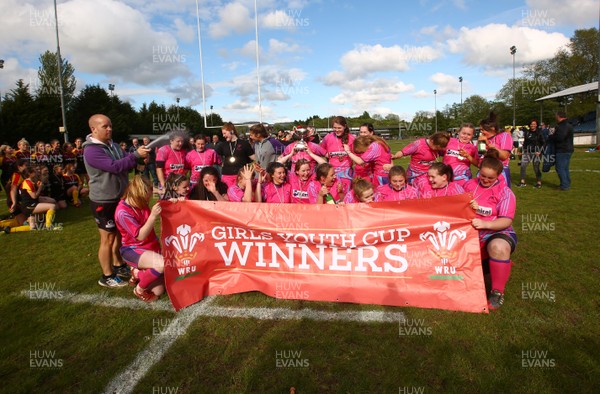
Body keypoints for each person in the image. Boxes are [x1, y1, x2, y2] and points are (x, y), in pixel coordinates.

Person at [83, 114, 150, 288]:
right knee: (108, 238)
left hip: (119, 197)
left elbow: (127, 161)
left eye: (110, 125)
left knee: (119, 234)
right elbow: (115, 167)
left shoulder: (112, 145)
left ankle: (119, 265)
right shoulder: (92, 150)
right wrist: (135, 155)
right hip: (103, 200)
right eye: (105, 126)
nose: (109, 129)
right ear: (93, 129)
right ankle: (106, 275)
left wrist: (139, 158)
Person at [464, 157, 517, 310]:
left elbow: (506, 220)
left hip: (495, 232)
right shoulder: (469, 184)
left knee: (498, 247)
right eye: (483, 175)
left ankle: (497, 292)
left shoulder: (506, 193)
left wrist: (486, 224)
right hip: (470, 232)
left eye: (490, 178)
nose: (486, 180)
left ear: (499, 175)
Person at [115, 176, 165, 302]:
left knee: (158, 290)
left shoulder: (138, 200)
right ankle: (139, 289)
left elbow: (153, 191)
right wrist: (153, 216)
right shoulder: (122, 212)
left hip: (150, 247)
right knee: (162, 264)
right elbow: (140, 236)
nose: (147, 201)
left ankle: (138, 273)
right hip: (133, 249)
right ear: (138, 194)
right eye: (146, 198)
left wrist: (175, 200)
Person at [477, 112, 513, 188]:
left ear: (492, 128)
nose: (481, 132)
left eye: (483, 130)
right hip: (483, 173)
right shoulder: (482, 140)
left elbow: (504, 156)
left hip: (499, 172)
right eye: (481, 130)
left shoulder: (504, 136)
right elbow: (480, 159)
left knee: (500, 196)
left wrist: (488, 144)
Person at [214, 122, 255, 188]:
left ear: (231, 131)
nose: (223, 136)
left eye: (224, 133)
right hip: (227, 175)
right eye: (223, 134)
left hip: (241, 175)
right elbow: (214, 155)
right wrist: (220, 163)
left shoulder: (244, 144)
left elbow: (253, 157)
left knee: (240, 196)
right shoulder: (223, 145)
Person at [320, 116, 355, 186]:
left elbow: (356, 154)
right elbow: (321, 149)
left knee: (344, 194)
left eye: (339, 128)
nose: (337, 130)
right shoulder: (328, 137)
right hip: (332, 172)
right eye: (335, 128)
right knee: (333, 195)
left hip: (346, 172)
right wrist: (327, 155)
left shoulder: (352, 138)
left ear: (344, 126)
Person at [549, 112, 574, 191]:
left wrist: (552, 136)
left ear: (559, 116)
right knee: (565, 167)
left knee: (560, 168)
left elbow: (560, 137)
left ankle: (564, 185)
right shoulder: (569, 125)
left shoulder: (562, 126)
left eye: (556, 116)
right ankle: (567, 182)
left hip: (562, 149)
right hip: (568, 149)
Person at [517, 119, 545, 188]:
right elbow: (525, 143)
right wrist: (522, 151)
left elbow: (544, 143)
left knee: (536, 167)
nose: (533, 125)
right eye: (531, 124)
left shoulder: (540, 132)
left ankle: (539, 182)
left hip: (537, 152)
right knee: (523, 165)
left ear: (536, 125)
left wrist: (540, 151)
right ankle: (522, 182)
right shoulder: (527, 132)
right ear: (529, 125)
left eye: (534, 124)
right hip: (527, 152)